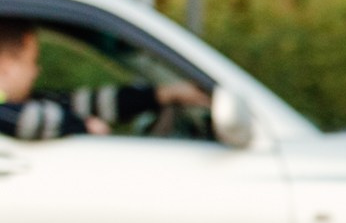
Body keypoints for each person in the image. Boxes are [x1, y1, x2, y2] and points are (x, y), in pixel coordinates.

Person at [0, 19, 204, 139]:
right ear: (6, 66)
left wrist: (162, 95)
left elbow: (86, 102)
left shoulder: (23, 101)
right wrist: (82, 126)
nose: (37, 70)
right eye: (32, 61)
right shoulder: (9, 111)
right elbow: (22, 118)